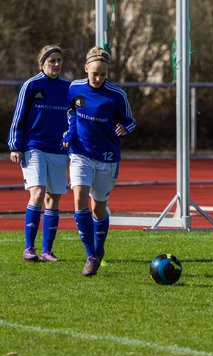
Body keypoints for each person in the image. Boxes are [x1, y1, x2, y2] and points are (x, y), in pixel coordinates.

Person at [62, 46, 137, 276]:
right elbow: (71, 113)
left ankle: (99, 248)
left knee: (98, 209)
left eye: (103, 74)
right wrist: (70, 135)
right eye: (94, 73)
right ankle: (91, 256)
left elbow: (131, 121)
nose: (98, 78)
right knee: (79, 200)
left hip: (106, 157)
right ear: (86, 69)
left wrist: (124, 127)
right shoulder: (74, 88)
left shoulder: (116, 95)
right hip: (80, 153)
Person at [8, 45, 70, 262]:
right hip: (34, 146)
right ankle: (29, 248)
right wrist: (15, 145)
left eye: (59, 60)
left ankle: (47, 251)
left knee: (53, 198)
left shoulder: (68, 87)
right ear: (42, 63)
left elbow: (74, 118)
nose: (56, 64)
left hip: (59, 149)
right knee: (37, 193)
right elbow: (19, 115)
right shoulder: (32, 85)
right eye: (51, 60)